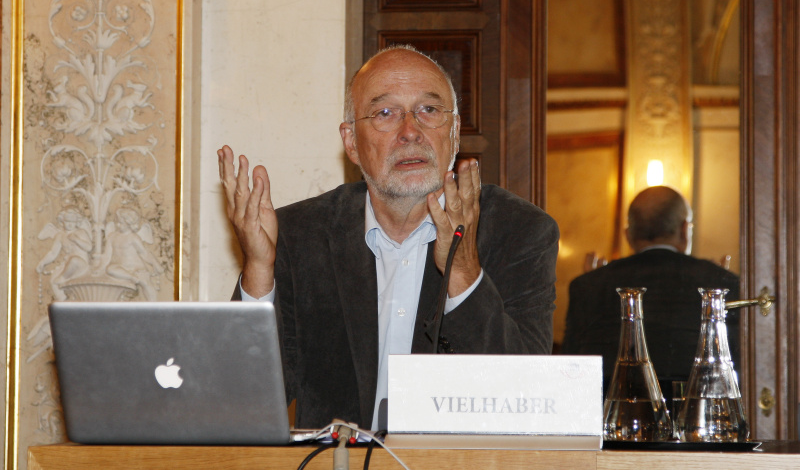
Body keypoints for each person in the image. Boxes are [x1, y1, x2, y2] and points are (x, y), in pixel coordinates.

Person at [218, 45, 559, 430]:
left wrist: (463, 273)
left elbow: (528, 399)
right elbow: (242, 407)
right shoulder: (298, 235)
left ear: (456, 131)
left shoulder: (520, 231)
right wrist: (260, 270)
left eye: (429, 111)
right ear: (350, 143)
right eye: (385, 113)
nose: (410, 131)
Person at [561, 185, 740, 397]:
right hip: (698, 414)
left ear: (628, 235)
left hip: (611, 415)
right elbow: (736, 367)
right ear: (684, 230)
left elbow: (570, 372)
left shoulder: (587, 286)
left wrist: (597, 286)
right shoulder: (721, 283)